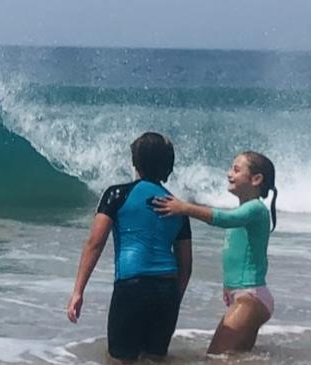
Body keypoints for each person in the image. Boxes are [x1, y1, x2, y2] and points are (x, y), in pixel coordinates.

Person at [67, 132, 192, 362]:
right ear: (168, 166)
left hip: (132, 286)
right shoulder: (178, 206)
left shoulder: (117, 195)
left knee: (121, 360)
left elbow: (95, 244)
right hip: (167, 289)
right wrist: (174, 299)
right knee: (154, 359)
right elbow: (185, 265)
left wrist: (78, 291)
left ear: (135, 161)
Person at [153, 151, 276, 355]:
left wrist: (184, 208)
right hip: (243, 296)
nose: (229, 173)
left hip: (251, 297)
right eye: (230, 168)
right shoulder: (245, 209)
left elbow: (225, 219)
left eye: (236, 170)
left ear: (256, 179)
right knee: (236, 358)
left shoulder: (256, 209)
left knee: (214, 358)